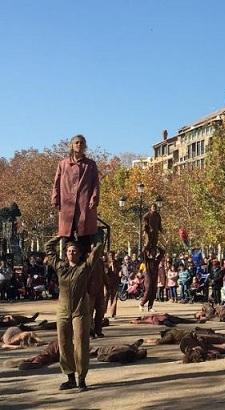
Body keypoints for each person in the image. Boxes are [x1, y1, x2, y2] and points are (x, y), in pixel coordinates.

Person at [45, 230, 104, 392]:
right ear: (66, 253)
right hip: (63, 311)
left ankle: (81, 378)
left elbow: (98, 249)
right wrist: (61, 235)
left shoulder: (85, 267)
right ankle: (69, 376)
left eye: (74, 251)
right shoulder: (60, 267)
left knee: (81, 344)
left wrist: (95, 235)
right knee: (63, 343)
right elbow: (48, 247)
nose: (71, 253)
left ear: (79, 254)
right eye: (69, 251)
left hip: (81, 311)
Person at [51, 134, 100, 256]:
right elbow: (56, 182)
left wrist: (94, 198)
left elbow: (96, 183)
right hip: (67, 205)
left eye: (82, 143)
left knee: (84, 236)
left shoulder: (91, 164)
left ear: (85, 146)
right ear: (72, 146)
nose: (79, 144)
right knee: (67, 236)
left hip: (84, 206)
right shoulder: (63, 164)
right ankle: (68, 265)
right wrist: (55, 198)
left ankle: (83, 267)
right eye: (77, 142)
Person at [139, 245, 165, 312]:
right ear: (149, 253)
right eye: (153, 252)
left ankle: (150, 307)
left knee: (153, 291)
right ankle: (141, 304)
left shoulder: (156, 260)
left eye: (155, 252)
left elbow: (162, 252)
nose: (154, 253)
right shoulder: (146, 260)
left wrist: (157, 246)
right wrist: (146, 247)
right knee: (148, 290)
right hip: (148, 277)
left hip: (155, 277)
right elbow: (143, 253)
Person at [104, 251, 120, 318]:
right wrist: (110, 265)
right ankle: (102, 313)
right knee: (105, 298)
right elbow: (105, 272)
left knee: (114, 299)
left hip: (115, 283)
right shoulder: (105, 264)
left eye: (113, 255)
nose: (111, 257)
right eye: (110, 255)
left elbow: (118, 271)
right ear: (108, 256)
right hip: (107, 283)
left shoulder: (117, 263)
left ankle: (113, 314)